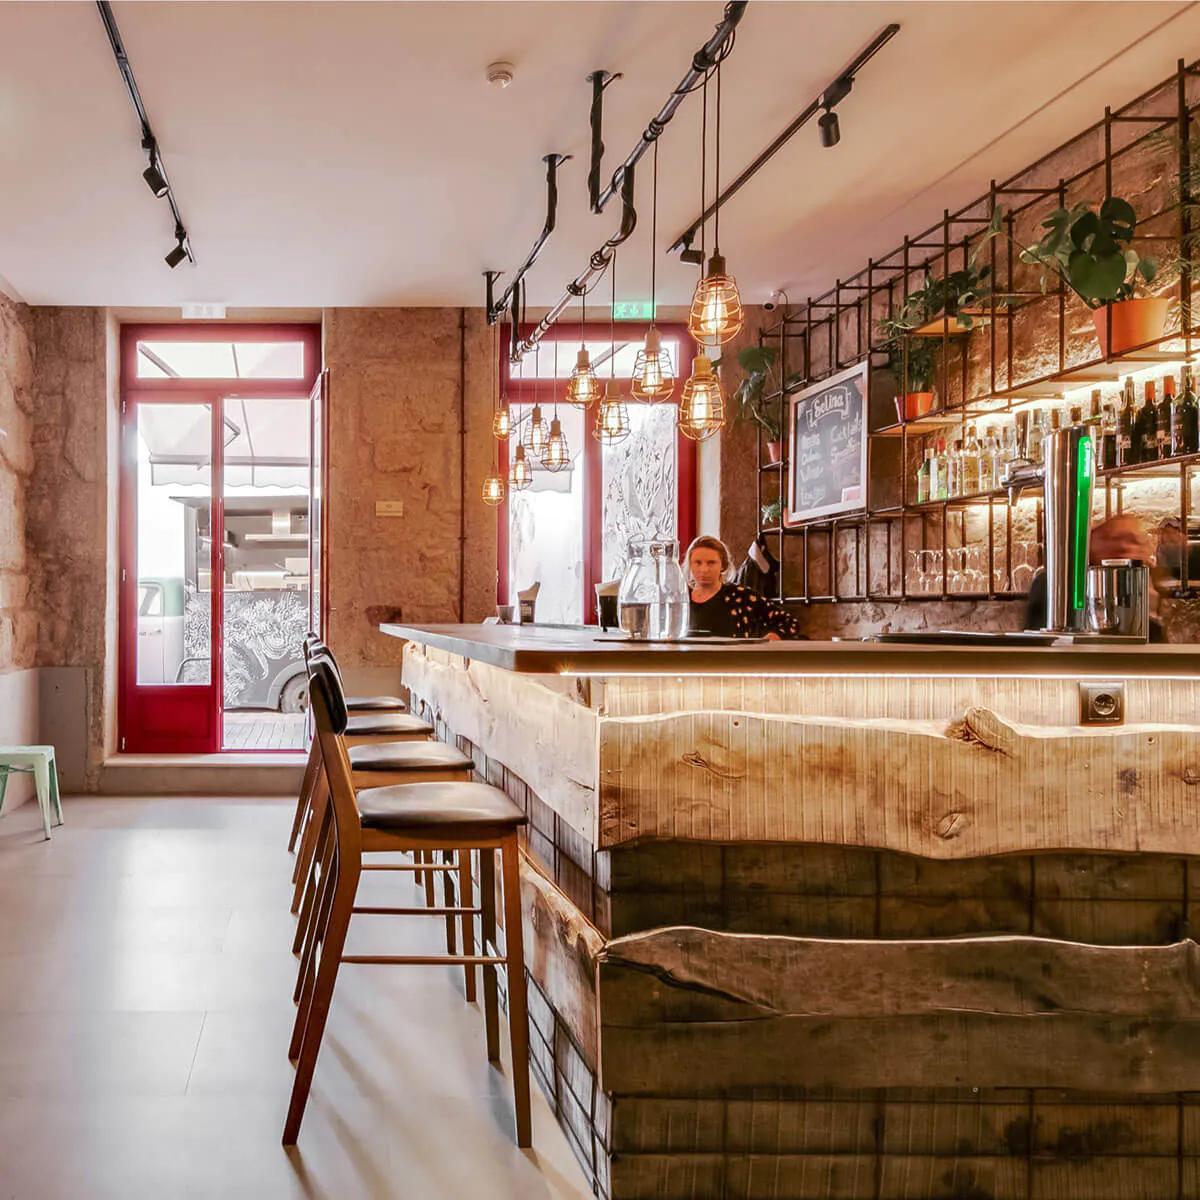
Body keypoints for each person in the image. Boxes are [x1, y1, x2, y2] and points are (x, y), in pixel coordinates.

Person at [1025, 513, 1162, 638]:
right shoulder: (1055, 583)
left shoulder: (1147, 588)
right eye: (1113, 539)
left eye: (1133, 540)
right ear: (1091, 543)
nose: (1123, 546)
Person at [686, 535, 806, 640]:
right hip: (686, 664)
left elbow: (788, 622)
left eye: (711, 563)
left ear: (723, 565)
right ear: (690, 564)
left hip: (732, 663)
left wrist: (772, 638)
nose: (704, 569)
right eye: (697, 562)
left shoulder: (740, 596)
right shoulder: (679, 598)